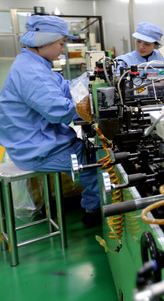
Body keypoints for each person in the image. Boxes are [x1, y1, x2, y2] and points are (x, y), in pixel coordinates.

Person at [0, 15, 101, 228]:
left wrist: (90, 78)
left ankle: (92, 209)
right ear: (44, 41)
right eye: (61, 43)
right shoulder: (31, 73)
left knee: (95, 153)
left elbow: (65, 88)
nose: (62, 49)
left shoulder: (35, 63)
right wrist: (92, 108)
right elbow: (60, 112)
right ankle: (98, 211)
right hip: (38, 148)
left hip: (43, 139)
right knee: (99, 170)